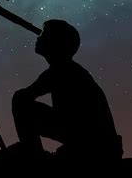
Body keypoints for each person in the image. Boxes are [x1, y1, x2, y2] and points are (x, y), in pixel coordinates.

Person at [12, 19, 123, 159]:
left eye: (44, 35)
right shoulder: (65, 69)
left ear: (55, 42)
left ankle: (33, 156)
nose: (38, 37)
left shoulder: (62, 71)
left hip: (98, 147)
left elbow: (24, 97)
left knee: (20, 100)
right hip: (100, 144)